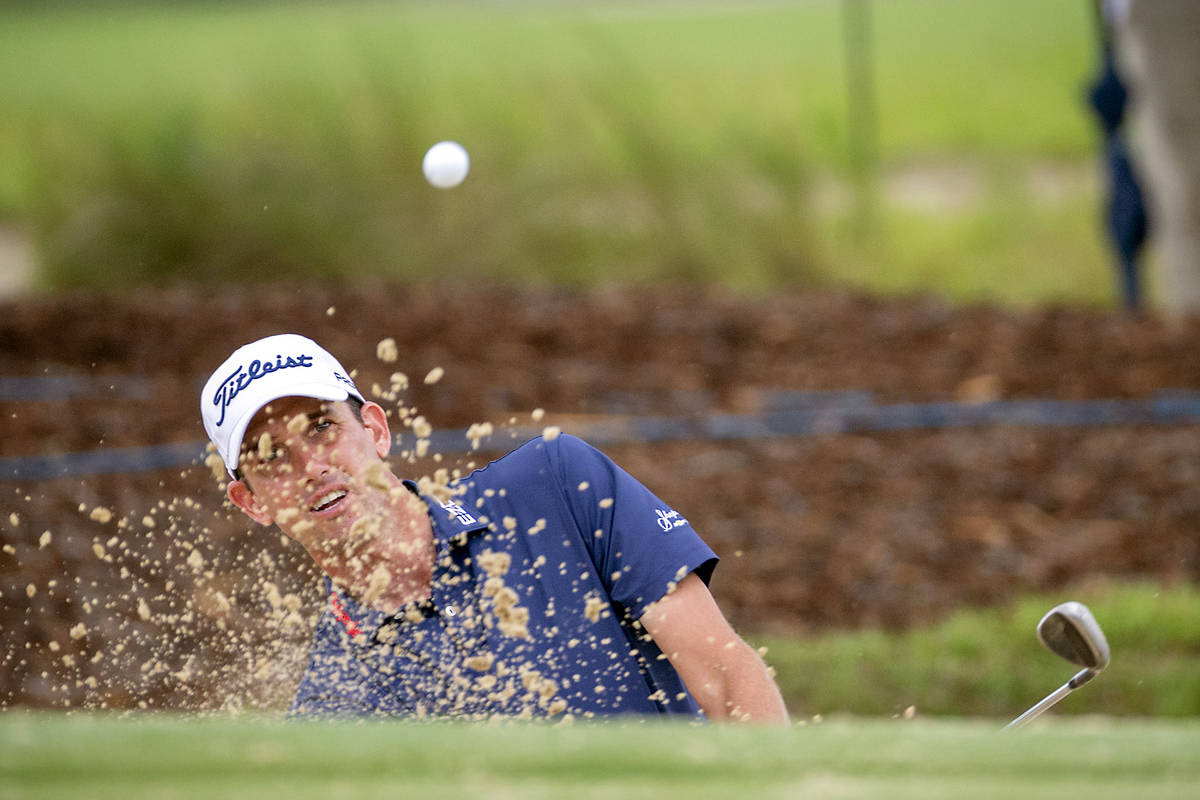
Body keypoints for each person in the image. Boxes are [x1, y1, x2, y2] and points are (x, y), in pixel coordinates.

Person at [201, 333, 788, 723]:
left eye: (322, 427)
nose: (311, 466)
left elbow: (724, 674)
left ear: (376, 431)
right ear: (250, 502)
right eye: (270, 456)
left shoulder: (556, 485)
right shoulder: (333, 706)